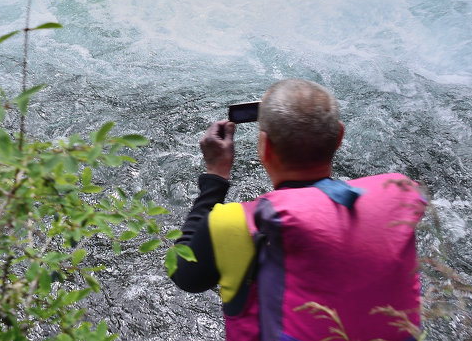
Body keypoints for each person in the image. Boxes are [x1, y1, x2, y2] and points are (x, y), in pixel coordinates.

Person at [170, 79, 426, 341]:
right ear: (339, 137)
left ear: (265, 147)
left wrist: (215, 174)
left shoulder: (235, 222)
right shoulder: (396, 200)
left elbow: (184, 274)